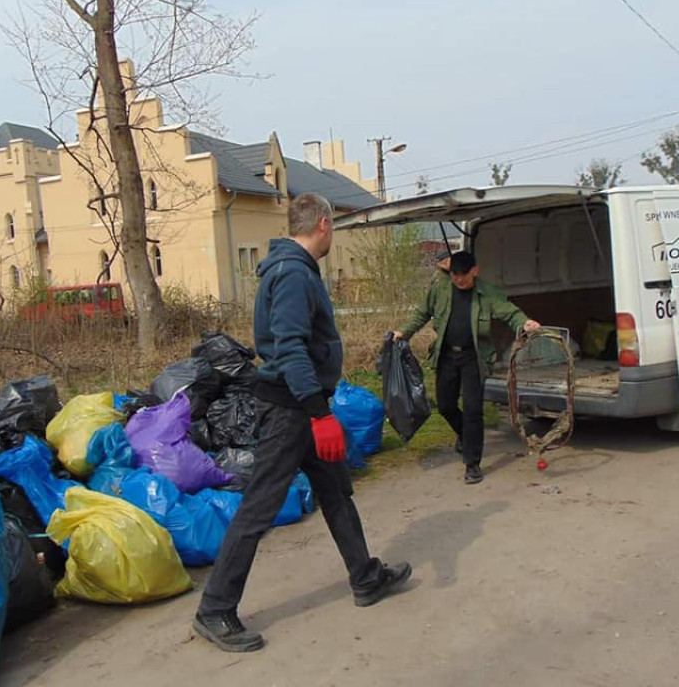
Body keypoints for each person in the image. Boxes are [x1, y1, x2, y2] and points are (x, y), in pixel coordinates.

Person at [193, 193, 412, 653]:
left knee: (335, 492)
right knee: (258, 508)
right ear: (325, 225)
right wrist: (318, 412)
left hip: (303, 404)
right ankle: (214, 609)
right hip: (291, 409)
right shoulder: (293, 273)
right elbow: (289, 347)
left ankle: (365, 576)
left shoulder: (293, 267)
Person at [393, 250, 540, 484]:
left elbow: (509, 312)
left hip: (474, 358)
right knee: (446, 405)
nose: (458, 280)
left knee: (473, 410)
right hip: (446, 356)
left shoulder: (487, 293)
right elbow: (422, 313)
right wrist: (404, 332)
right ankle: (465, 435)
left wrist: (525, 323)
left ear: (475, 271)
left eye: (463, 275)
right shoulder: (440, 290)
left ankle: (472, 464)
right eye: (454, 275)